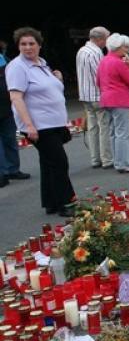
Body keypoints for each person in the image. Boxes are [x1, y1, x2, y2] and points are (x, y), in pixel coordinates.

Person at [5, 27, 74, 216]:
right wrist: (28, 125)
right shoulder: (17, 67)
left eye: (31, 44)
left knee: (48, 162)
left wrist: (57, 78)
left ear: (39, 45)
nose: (28, 48)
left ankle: (51, 202)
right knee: (59, 162)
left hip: (54, 122)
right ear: (18, 46)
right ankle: (67, 202)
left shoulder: (42, 63)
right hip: (38, 125)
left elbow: (48, 89)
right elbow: (16, 98)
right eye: (23, 44)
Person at [97, 33, 129, 173]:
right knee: (122, 133)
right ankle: (123, 164)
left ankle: (117, 161)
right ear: (118, 47)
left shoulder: (103, 61)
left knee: (113, 132)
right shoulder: (119, 62)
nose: (126, 50)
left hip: (106, 98)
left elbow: (98, 81)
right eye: (124, 48)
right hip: (120, 99)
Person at [76, 26, 113, 169]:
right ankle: (106, 159)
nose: (106, 42)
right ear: (99, 39)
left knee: (92, 128)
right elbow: (101, 75)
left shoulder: (81, 51)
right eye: (105, 39)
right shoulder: (97, 53)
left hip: (85, 94)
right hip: (97, 95)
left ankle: (94, 158)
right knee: (104, 127)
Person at [0, 56, 28, 187]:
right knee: (6, 141)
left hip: (7, 108)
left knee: (10, 140)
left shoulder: (4, 61)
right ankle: (3, 173)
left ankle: (12, 170)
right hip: (7, 106)